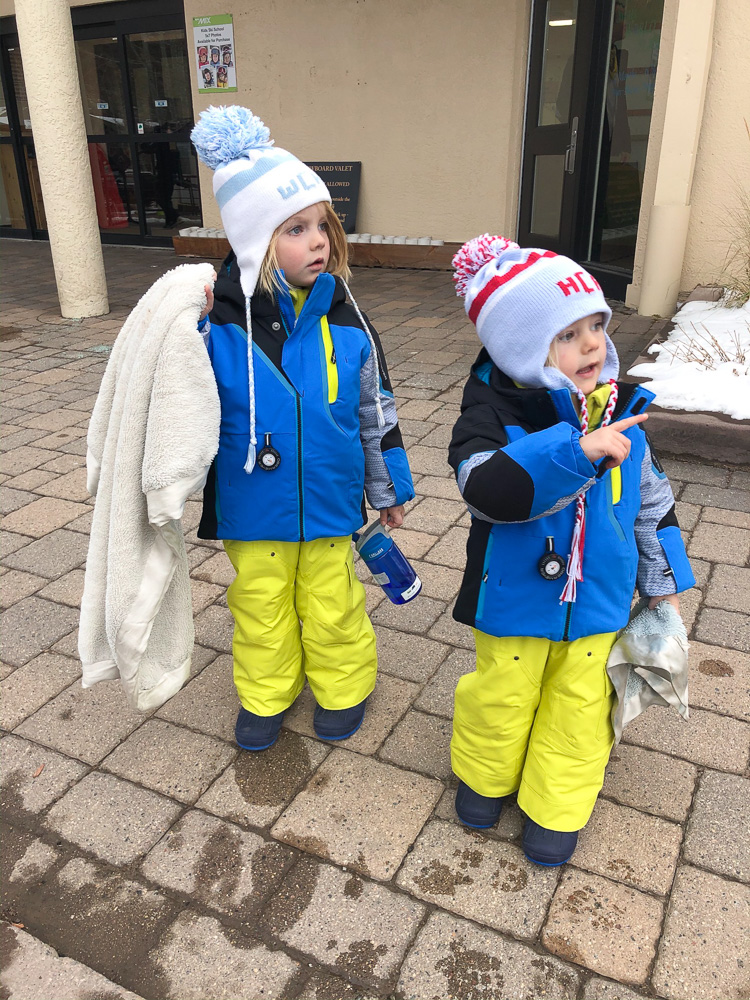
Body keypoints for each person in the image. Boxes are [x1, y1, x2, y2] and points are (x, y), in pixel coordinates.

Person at [447, 235, 694, 866]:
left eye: (596, 325)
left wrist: (662, 589)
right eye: (567, 334)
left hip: (599, 604)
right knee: (501, 695)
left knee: (581, 708)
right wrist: (573, 453)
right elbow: (487, 492)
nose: (592, 344)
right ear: (522, 348)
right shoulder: (490, 415)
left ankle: (556, 807)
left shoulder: (623, 415)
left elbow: (653, 503)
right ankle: (484, 778)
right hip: (513, 602)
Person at [190, 105, 414, 752]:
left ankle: (344, 687)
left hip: (329, 501)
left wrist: (388, 486)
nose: (318, 240)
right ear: (257, 242)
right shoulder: (217, 325)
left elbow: (376, 411)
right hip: (251, 504)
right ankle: (266, 694)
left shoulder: (348, 320)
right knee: (260, 606)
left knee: (332, 601)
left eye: (322, 224)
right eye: (296, 229)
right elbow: (182, 406)